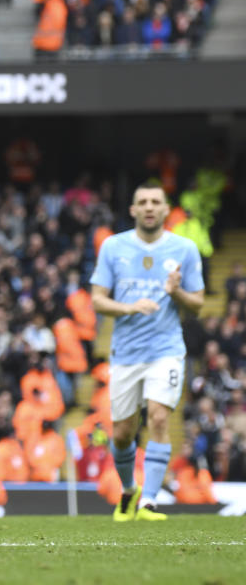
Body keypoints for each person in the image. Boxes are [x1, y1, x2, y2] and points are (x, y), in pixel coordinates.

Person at [90, 181, 204, 522]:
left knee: (157, 416)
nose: (150, 206)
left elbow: (197, 305)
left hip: (165, 350)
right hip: (125, 353)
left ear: (166, 209)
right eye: (143, 201)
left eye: (156, 201)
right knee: (123, 433)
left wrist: (177, 293)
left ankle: (150, 501)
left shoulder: (184, 249)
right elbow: (97, 299)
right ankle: (129, 490)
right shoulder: (113, 246)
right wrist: (128, 308)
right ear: (133, 210)